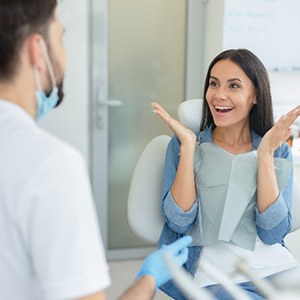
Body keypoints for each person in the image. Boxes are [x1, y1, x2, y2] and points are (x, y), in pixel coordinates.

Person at [0, 0, 192, 299]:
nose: (64, 53)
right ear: (37, 51)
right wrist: (148, 281)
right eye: (61, 37)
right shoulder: (50, 164)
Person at [152, 49, 300, 299]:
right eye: (213, 84)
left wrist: (264, 156)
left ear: (255, 95)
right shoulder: (184, 145)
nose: (219, 95)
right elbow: (179, 221)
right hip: (214, 275)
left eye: (234, 86)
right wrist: (189, 148)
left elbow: (273, 233)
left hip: (275, 268)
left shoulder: (277, 151)